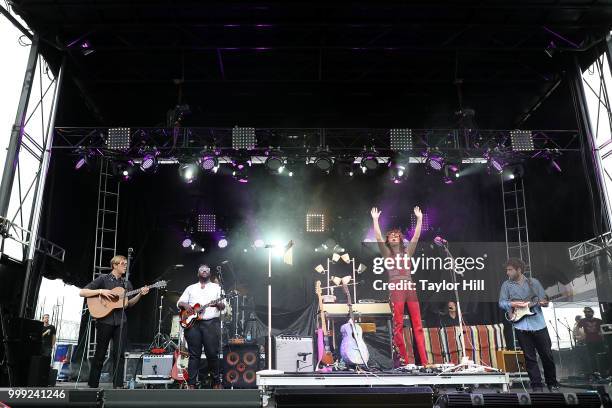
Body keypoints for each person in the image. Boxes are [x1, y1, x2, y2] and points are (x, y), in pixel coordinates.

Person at [79, 255, 149, 388]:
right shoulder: (103, 279)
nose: (125, 266)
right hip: (104, 320)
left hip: (121, 322)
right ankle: (93, 384)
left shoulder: (126, 283)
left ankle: (117, 385)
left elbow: (129, 304)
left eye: (126, 264)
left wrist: (140, 293)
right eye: (123, 263)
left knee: (119, 355)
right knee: (100, 353)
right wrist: (101, 291)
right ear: (115, 265)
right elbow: (82, 292)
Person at [371, 206, 427, 366]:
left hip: (409, 287)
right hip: (396, 288)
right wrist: (375, 221)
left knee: (418, 324)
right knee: (398, 325)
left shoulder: (407, 252)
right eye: (392, 236)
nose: (394, 237)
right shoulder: (387, 254)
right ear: (388, 240)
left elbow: (416, 236)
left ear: (401, 239)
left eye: (397, 236)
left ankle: (424, 361)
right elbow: (377, 237)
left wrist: (420, 219)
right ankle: (403, 361)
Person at [498, 258, 559, 392]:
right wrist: (513, 304)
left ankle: (552, 383)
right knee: (529, 358)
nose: (507, 272)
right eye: (507, 270)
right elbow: (501, 303)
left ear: (518, 270)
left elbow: (544, 300)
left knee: (547, 355)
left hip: (538, 324)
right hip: (521, 325)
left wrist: (545, 303)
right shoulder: (506, 285)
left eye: (510, 270)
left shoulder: (534, 282)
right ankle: (536, 385)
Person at [177, 264, 225, 389]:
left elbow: (223, 305)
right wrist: (187, 306)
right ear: (198, 274)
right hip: (193, 324)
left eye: (207, 270)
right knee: (194, 354)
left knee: (212, 354)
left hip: (210, 323)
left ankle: (215, 382)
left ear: (210, 273)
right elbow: (180, 302)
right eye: (201, 270)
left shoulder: (217, 287)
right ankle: (191, 384)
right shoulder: (191, 288)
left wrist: (220, 305)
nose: (204, 271)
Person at [576, 307, 604, 375]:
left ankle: (603, 370)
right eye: (585, 312)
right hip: (589, 341)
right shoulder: (582, 321)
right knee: (592, 357)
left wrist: (602, 334)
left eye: (588, 311)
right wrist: (582, 334)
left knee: (601, 355)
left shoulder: (598, 320)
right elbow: (578, 328)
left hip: (599, 340)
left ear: (592, 312)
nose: (587, 313)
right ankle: (595, 372)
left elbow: (604, 328)